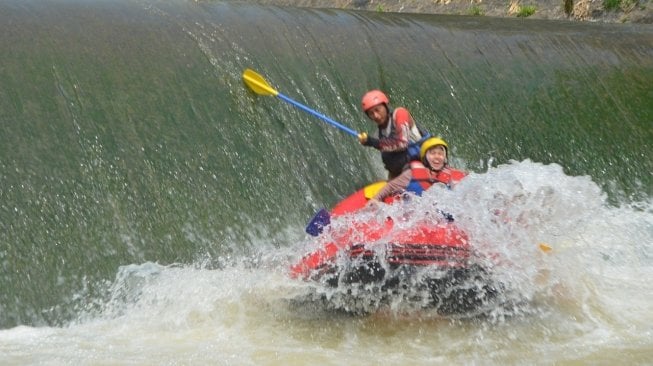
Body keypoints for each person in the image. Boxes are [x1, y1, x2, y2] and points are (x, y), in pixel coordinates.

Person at [357, 90, 429, 179]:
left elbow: (402, 143)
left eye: (377, 110)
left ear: (386, 106)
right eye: (371, 113)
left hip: (426, 163)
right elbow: (393, 164)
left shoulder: (400, 113)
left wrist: (373, 142)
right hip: (406, 174)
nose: (376, 116)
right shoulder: (378, 135)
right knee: (388, 157)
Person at [370, 136, 467, 202]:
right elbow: (390, 187)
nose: (437, 157)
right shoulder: (411, 174)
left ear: (445, 158)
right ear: (425, 158)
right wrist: (375, 199)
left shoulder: (448, 174)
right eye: (433, 153)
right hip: (412, 214)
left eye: (440, 154)